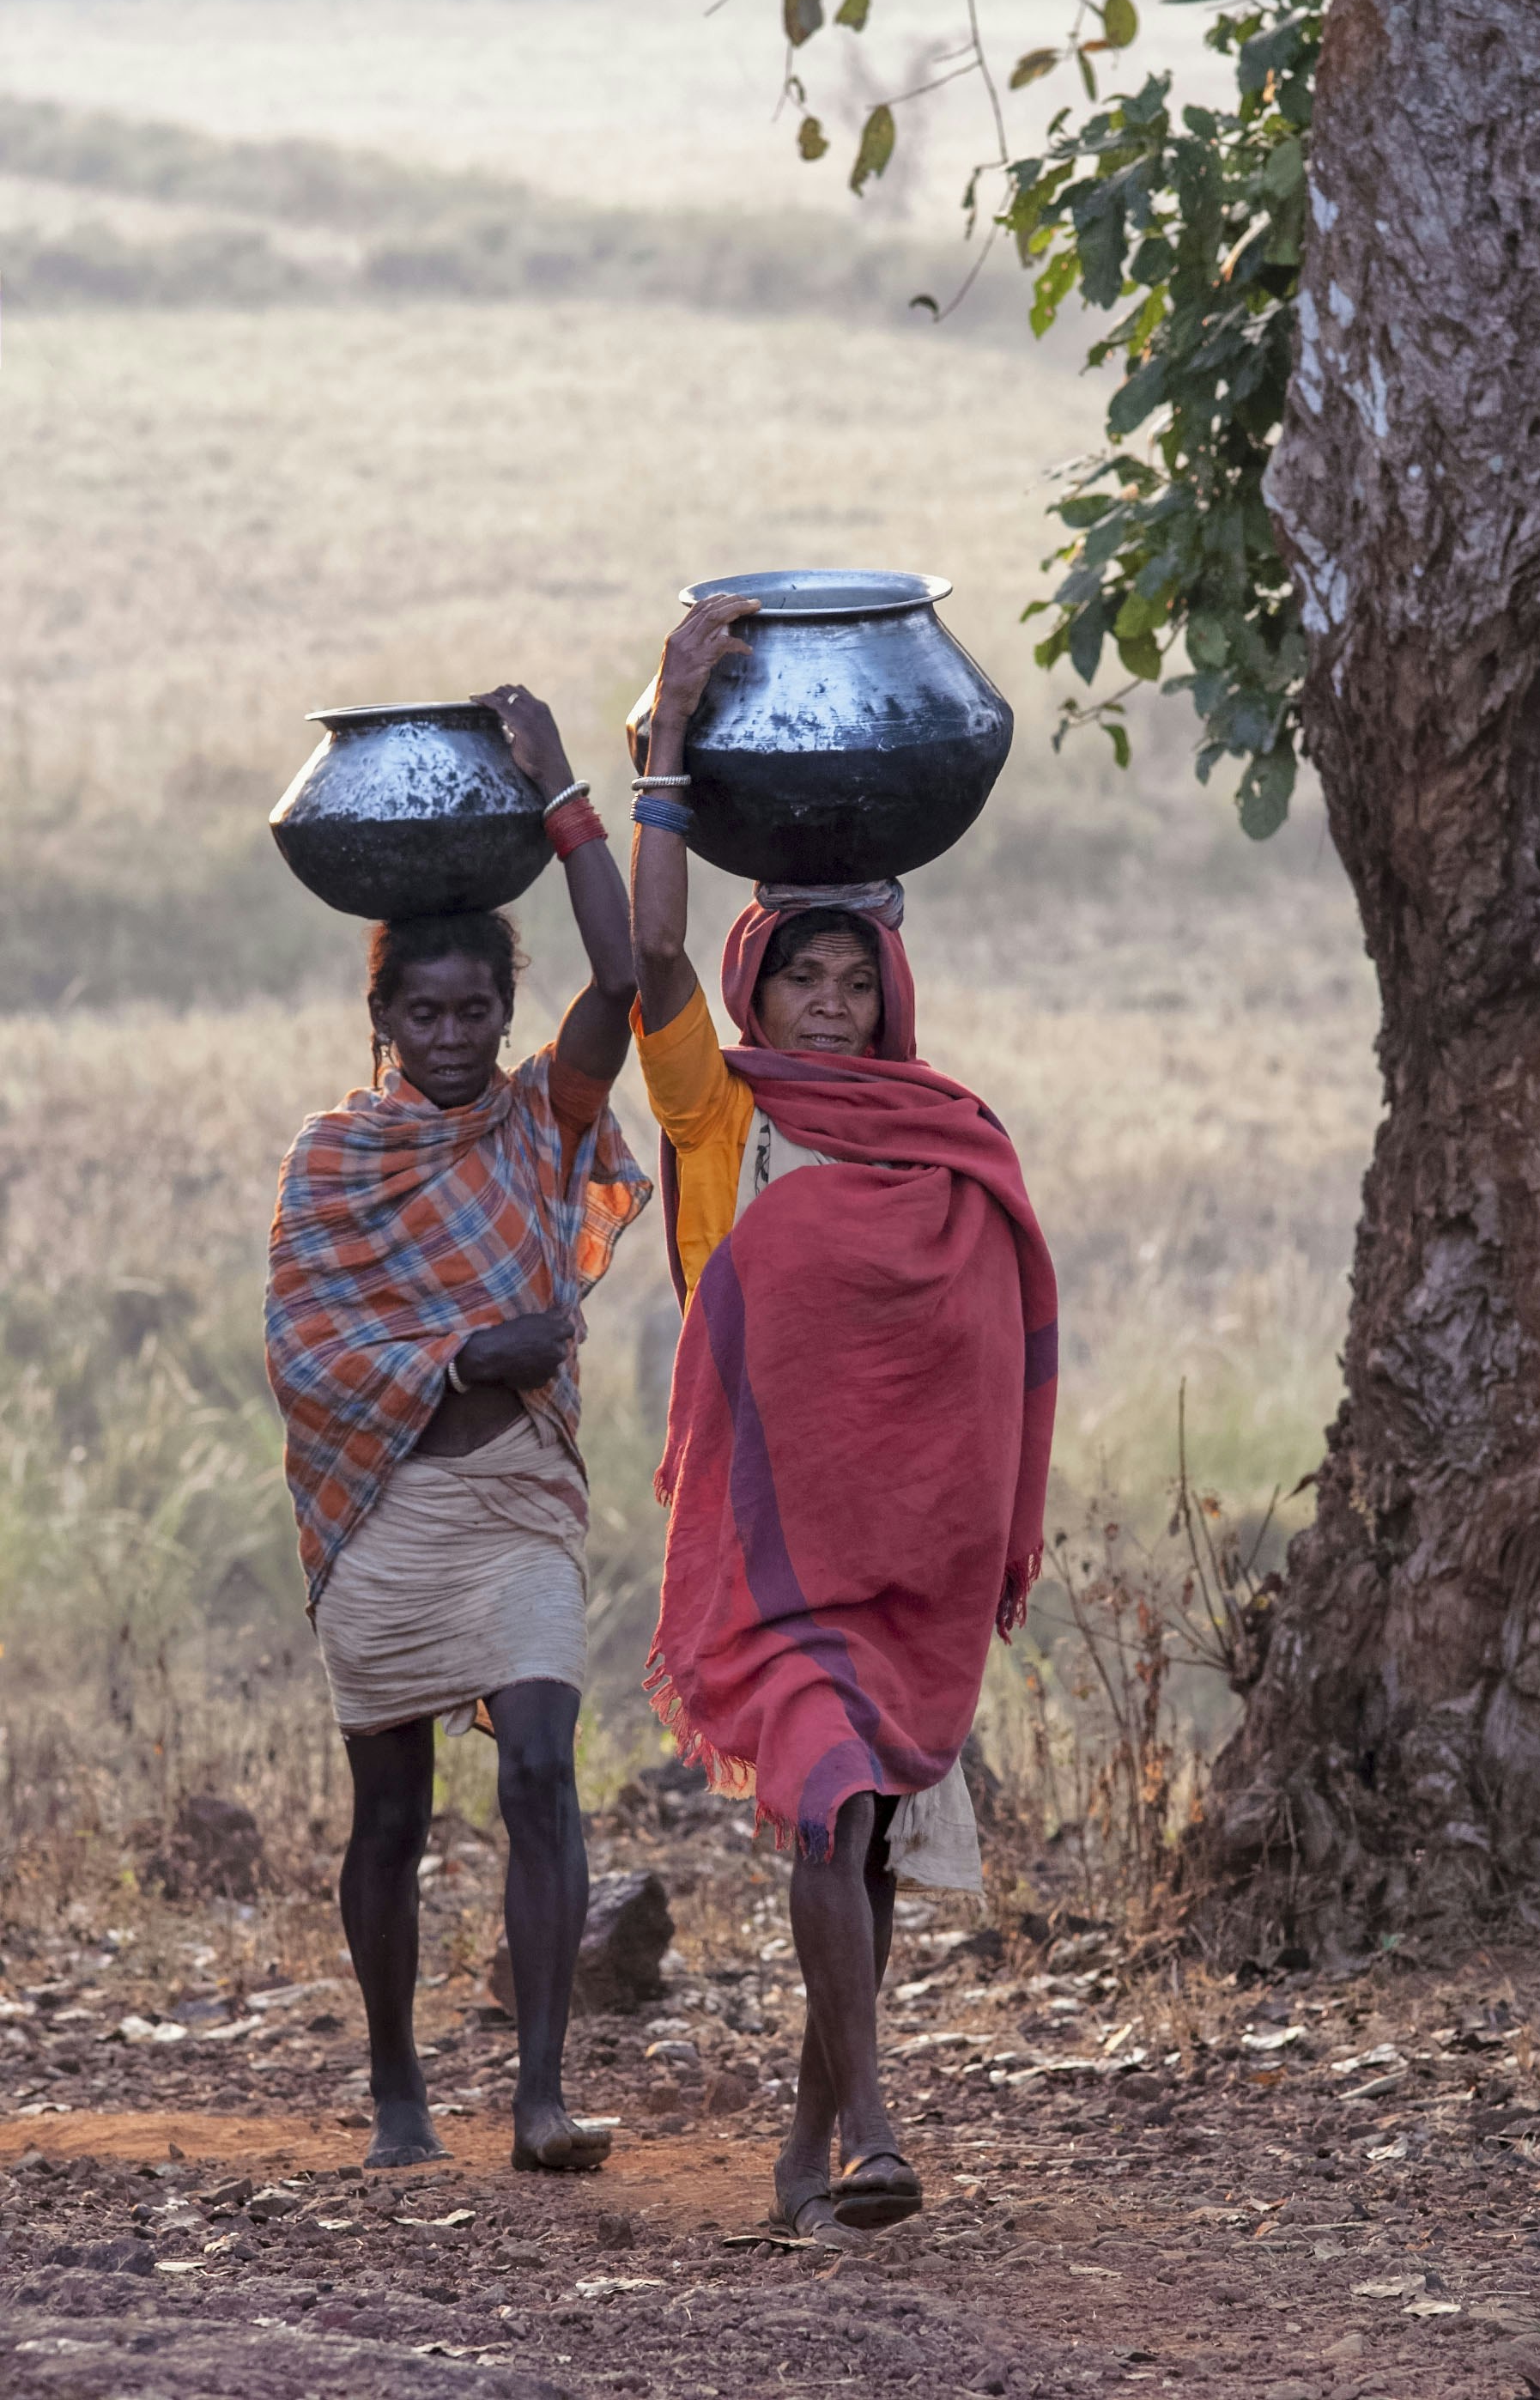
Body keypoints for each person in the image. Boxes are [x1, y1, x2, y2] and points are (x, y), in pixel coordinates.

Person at [627, 594, 1058, 2239]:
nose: (827, 1004)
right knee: (828, 1799)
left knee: (862, 1844)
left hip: (918, 1564)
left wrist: (984, 1526)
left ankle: (808, 2155)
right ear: (759, 989)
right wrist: (667, 741)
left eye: (850, 980)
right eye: (797, 977)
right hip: (775, 1555)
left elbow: (997, 1347)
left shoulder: (953, 1136)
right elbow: (653, 955)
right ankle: (873, 2127)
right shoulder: (718, 1110)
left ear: (890, 996)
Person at [265, 684, 650, 2173]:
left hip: (514, 1510)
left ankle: (542, 2095)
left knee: (545, 1767)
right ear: (379, 1022)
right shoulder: (335, 1160)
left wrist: (563, 792)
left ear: (504, 1012)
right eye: (420, 1013)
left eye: (474, 1010)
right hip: (382, 1517)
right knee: (390, 1815)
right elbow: (308, 1350)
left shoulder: (537, 1119)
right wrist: (470, 1347)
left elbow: (627, 977)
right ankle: (394, 2090)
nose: (448, 1034)